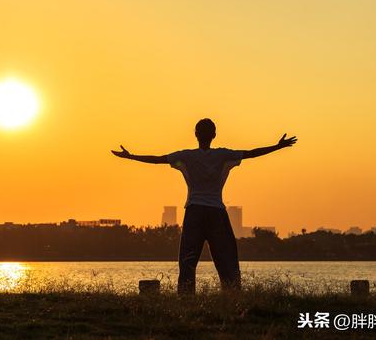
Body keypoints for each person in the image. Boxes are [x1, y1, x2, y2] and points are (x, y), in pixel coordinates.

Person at [111, 118, 297, 295]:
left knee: (188, 260)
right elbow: (251, 153)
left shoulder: (186, 156)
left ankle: (186, 296)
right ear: (214, 135)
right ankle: (232, 295)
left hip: (194, 212)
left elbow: (158, 159)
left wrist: (131, 157)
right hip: (216, 212)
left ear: (195, 134)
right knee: (227, 259)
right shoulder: (223, 155)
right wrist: (277, 146)